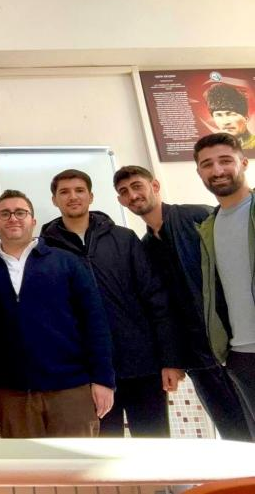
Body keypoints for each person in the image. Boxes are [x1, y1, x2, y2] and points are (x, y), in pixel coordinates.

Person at [113, 165, 252, 441]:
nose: (133, 195)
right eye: (124, 192)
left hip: (234, 347)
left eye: (137, 186)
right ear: (120, 201)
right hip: (197, 359)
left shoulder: (199, 217)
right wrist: (172, 360)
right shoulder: (143, 247)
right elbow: (162, 309)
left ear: (154, 186)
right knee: (234, 434)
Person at [41, 169, 182, 437]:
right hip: (88, 374)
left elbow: (156, 299)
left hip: (143, 366)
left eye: (79, 190)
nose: (73, 197)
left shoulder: (124, 238)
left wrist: (170, 359)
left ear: (91, 196)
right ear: (54, 200)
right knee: (103, 450)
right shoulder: (45, 251)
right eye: (64, 192)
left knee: (154, 445)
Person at [0, 190, 114, 438]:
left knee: (76, 461)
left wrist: (103, 380)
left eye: (20, 212)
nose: (13, 218)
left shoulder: (67, 262)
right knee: (25, 463)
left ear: (33, 221)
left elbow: (95, 323)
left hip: (71, 389)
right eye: (4, 214)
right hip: (12, 395)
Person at [193, 132, 255, 437]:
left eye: (225, 160)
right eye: (207, 164)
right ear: (199, 172)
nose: (217, 170)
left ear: (243, 163)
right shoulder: (209, 226)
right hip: (241, 356)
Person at [204, 83, 255, 149]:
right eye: (218, 115)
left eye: (230, 114)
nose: (225, 122)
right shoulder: (212, 148)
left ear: (246, 118)